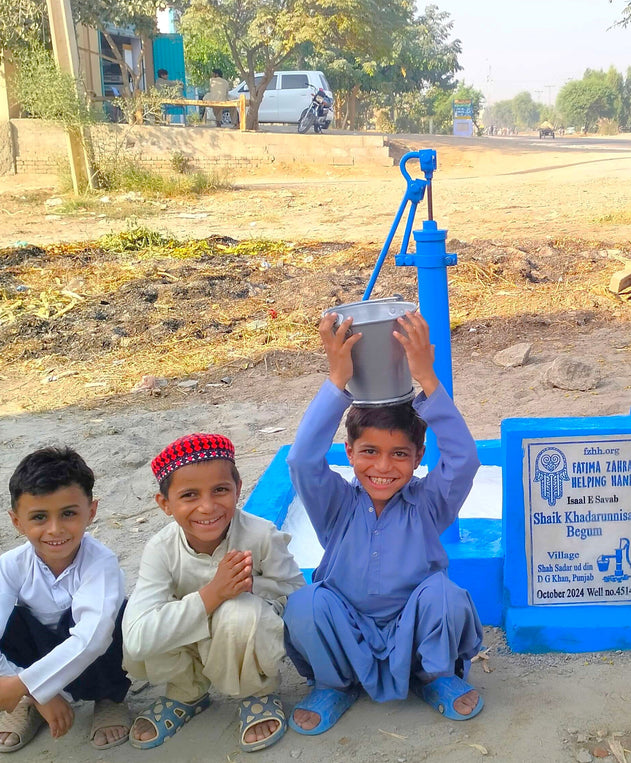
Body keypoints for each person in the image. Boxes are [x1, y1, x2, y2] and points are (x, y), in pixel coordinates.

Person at [283, 310, 484, 735]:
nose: (383, 467)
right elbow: (302, 460)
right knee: (306, 603)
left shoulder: (428, 503)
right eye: (369, 451)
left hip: (414, 634)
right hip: (348, 629)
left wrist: (427, 378)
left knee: (444, 596)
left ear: (418, 456)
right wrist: (338, 379)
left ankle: (435, 677)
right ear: (350, 452)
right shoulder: (335, 504)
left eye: (399, 454)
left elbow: (464, 460)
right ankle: (333, 685)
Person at [122, 434, 305, 752]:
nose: (207, 507)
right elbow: (137, 639)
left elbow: (295, 595)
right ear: (165, 504)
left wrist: (251, 593)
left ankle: (256, 692)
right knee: (145, 624)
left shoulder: (261, 536)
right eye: (189, 495)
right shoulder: (161, 550)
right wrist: (211, 594)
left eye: (220, 490)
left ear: (238, 487)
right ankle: (186, 692)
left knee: (240, 612)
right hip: (188, 645)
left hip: (241, 639)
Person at [0, 447, 131, 752]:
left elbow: (93, 639)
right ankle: (26, 705)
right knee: (11, 621)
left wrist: (24, 685)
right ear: (17, 521)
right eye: (39, 517)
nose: (55, 529)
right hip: (31, 666)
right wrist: (34, 693)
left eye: (69, 513)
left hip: (93, 668)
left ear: (92, 511)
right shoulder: (9, 567)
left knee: (114, 619)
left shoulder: (100, 563)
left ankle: (109, 698)